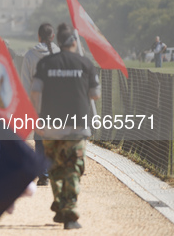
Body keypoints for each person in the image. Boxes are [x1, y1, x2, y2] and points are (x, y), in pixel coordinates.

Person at [30, 23, 100, 230]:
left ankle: (60, 205)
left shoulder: (45, 64)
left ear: (58, 41)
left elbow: (35, 91)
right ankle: (69, 213)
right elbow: (95, 94)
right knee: (73, 167)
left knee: (55, 167)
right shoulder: (85, 64)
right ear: (74, 42)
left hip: (51, 124)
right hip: (77, 125)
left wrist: (38, 118)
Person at [20, 23, 60, 186]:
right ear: (53, 36)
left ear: (38, 36)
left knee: (39, 137)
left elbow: (25, 83)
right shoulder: (60, 54)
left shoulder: (30, 55)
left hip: (37, 103)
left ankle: (43, 173)